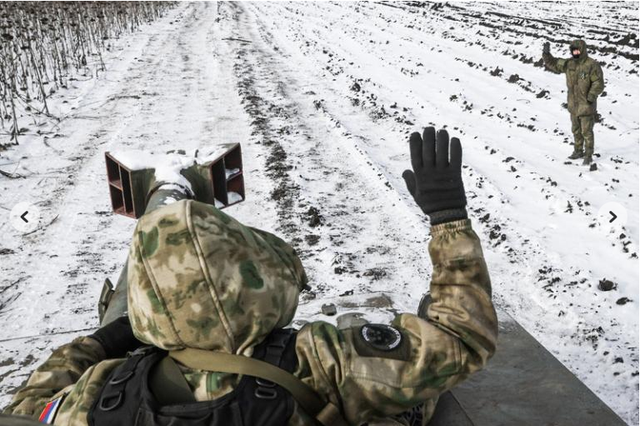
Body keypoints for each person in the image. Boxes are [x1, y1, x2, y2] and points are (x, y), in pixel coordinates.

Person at [3, 127, 498, 426]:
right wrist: (448, 218)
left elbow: (27, 408)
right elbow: (461, 337)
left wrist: (105, 340)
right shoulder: (321, 360)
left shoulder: (97, 395)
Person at [542, 39, 605, 165]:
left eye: (577, 50)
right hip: (573, 105)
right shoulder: (569, 64)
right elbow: (554, 64)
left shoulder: (591, 65)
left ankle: (588, 155)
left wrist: (591, 96)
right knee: (576, 130)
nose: (575, 53)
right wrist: (546, 54)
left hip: (586, 105)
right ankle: (578, 151)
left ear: (582, 50)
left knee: (586, 132)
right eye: (573, 51)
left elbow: (598, 83)